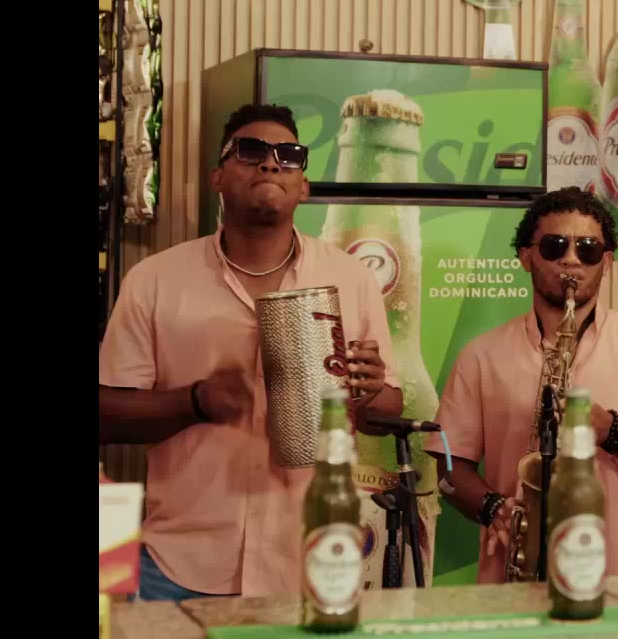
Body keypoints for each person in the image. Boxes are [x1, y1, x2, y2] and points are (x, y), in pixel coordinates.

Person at [98, 103, 404, 601]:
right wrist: (194, 402)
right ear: (217, 177)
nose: (270, 163)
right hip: (180, 564)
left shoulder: (351, 278)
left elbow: (387, 411)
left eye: (289, 155)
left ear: (304, 187)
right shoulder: (154, 280)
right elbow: (107, 416)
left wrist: (369, 393)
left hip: (310, 561)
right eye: (250, 150)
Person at [425, 187, 618, 583]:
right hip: (515, 575)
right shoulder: (480, 355)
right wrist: (493, 508)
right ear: (526, 257)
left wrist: (611, 430)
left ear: (606, 262)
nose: (571, 259)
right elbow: (449, 470)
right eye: (555, 246)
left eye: (588, 249)